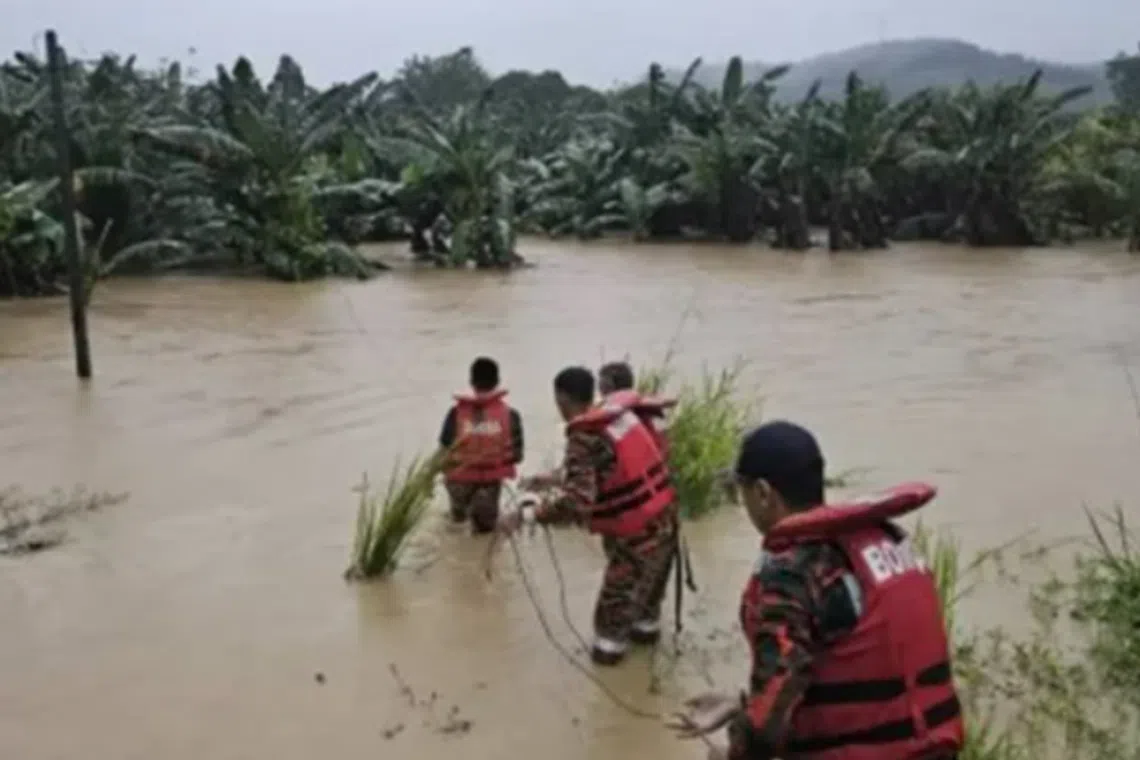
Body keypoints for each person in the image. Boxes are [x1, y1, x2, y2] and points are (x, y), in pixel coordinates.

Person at [667, 420, 963, 760]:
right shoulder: (886, 539)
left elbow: (766, 729)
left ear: (763, 494)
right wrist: (742, 704)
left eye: (742, 491)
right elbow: (855, 664)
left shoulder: (790, 572)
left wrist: (734, 749)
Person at [499, 366, 679, 665]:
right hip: (665, 525)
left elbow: (577, 503)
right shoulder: (619, 418)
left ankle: (616, 695)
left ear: (560, 399)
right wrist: (553, 478)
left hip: (635, 540)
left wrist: (527, 515)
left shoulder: (583, 437)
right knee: (645, 620)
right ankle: (649, 676)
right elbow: (613, 466)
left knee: (608, 636)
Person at [438, 357, 524, 534]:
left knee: (457, 527)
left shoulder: (455, 413)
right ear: (497, 382)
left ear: (471, 382)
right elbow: (517, 455)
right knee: (484, 533)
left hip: (458, 484)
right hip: (490, 484)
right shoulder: (511, 415)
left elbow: (443, 450)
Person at [597, 360, 677, 456]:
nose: (599, 389)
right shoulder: (653, 409)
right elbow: (666, 441)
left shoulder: (611, 413)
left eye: (601, 384)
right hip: (659, 464)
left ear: (608, 386)